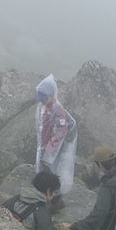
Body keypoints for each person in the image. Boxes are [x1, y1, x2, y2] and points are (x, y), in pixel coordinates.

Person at [2, 171, 73, 230]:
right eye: (54, 192)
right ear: (48, 191)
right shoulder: (41, 210)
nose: (54, 195)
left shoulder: (17, 198)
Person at [35, 74, 77, 210]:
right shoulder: (44, 107)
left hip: (52, 151)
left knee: (51, 176)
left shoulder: (58, 110)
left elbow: (61, 131)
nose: (42, 101)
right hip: (44, 147)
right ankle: (44, 197)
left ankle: (56, 201)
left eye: (44, 98)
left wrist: (49, 152)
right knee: (44, 173)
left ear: (52, 95)